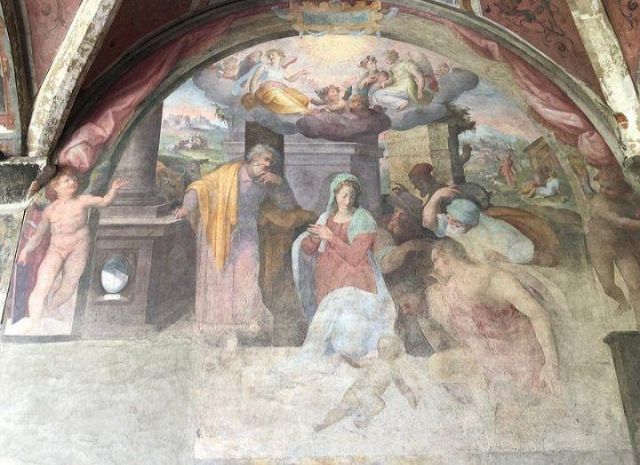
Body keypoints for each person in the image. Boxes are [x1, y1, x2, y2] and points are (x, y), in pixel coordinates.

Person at [174, 144, 297, 340]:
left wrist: (279, 183)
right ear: (255, 158)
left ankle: (246, 323)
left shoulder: (267, 182)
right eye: (266, 160)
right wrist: (186, 208)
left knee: (247, 274)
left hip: (247, 233)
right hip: (219, 231)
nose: (268, 165)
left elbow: (288, 204)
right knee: (220, 277)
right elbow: (200, 187)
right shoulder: (230, 173)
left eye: (271, 162)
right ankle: (220, 326)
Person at [429, 239, 561, 402]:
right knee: (436, 365)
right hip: (491, 366)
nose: (435, 267)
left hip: (521, 360)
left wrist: (551, 364)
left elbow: (538, 314)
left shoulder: (491, 277)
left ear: (448, 256)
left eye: (435, 260)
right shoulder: (449, 290)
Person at [10, 169, 128, 335]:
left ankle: (51, 308)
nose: (73, 182)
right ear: (56, 186)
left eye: (74, 179)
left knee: (69, 285)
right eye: (67, 180)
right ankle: (35, 324)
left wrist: (113, 190)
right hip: (56, 249)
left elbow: (104, 202)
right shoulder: (50, 211)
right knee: (42, 285)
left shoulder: (82, 200)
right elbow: (38, 236)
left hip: (78, 248)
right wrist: (25, 251)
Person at [292, 173, 396, 359]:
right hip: (327, 277)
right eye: (344, 195)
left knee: (350, 323)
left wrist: (330, 237)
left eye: (352, 196)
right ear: (335, 194)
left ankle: (353, 352)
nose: (348, 201)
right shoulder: (326, 218)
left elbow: (355, 256)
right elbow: (308, 249)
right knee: (327, 322)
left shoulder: (363, 218)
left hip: (354, 276)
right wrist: (313, 238)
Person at [313, 335, 418, 432]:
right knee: (379, 405)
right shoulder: (386, 366)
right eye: (379, 349)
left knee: (343, 409)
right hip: (365, 392)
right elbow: (356, 363)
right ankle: (358, 419)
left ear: (394, 350)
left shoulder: (384, 365)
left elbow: (403, 387)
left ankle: (326, 423)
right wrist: (345, 357)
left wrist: (411, 397)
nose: (381, 351)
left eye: (384, 349)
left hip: (358, 390)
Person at [423, 189, 535, 265]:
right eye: (449, 218)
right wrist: (436, 196)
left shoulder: (496, 230)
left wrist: (503, 258)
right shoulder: (454, 226)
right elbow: (428, 222)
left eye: (456, 222)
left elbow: (527, 249)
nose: (450, 224)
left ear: (471, 223)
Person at [585, 171, 640, 317]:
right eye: (601, 186)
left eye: (609, 188)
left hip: (621, 245)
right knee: (608, 287)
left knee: (635, 285)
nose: (603, 190)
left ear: (621, 189)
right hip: (599, 247)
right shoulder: (598, 201)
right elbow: (619, 222)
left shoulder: (628, 200)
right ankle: (623, 303)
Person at [241, 48, 310, 115]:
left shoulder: (281, 70)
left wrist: (300, 73)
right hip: (267, 91)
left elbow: (290, 79)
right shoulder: (264, 67)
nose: (271, 57)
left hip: (282, 89)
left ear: (279, 56)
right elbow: (254, 81)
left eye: (273, 55)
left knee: (303, 99)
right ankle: (298, 110)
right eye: (269, 56)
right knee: (276, 94)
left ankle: (298, 108)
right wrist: (252, 94)